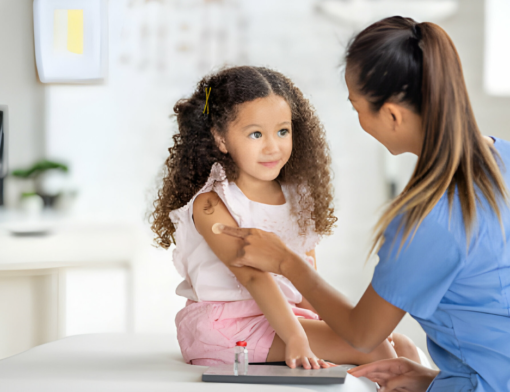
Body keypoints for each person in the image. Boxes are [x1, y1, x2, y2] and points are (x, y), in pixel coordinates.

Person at [215, 17, 510, 392]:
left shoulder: (427, 218)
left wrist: (285, 261)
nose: (359, 120)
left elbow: (363, 334)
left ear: (391, 114)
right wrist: (436, 379)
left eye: (357, 108)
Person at [151, 65, 419, 369]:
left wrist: (321, 327)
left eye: (282, 131)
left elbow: (307, 275)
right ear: (221, 139)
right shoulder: (212, 203)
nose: (272, 146)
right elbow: (253, 275)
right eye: (255, 134)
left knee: (404, 346)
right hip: (227, 325)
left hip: (283, 318)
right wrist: (297, 338)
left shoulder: (298, 197)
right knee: (377, 350)